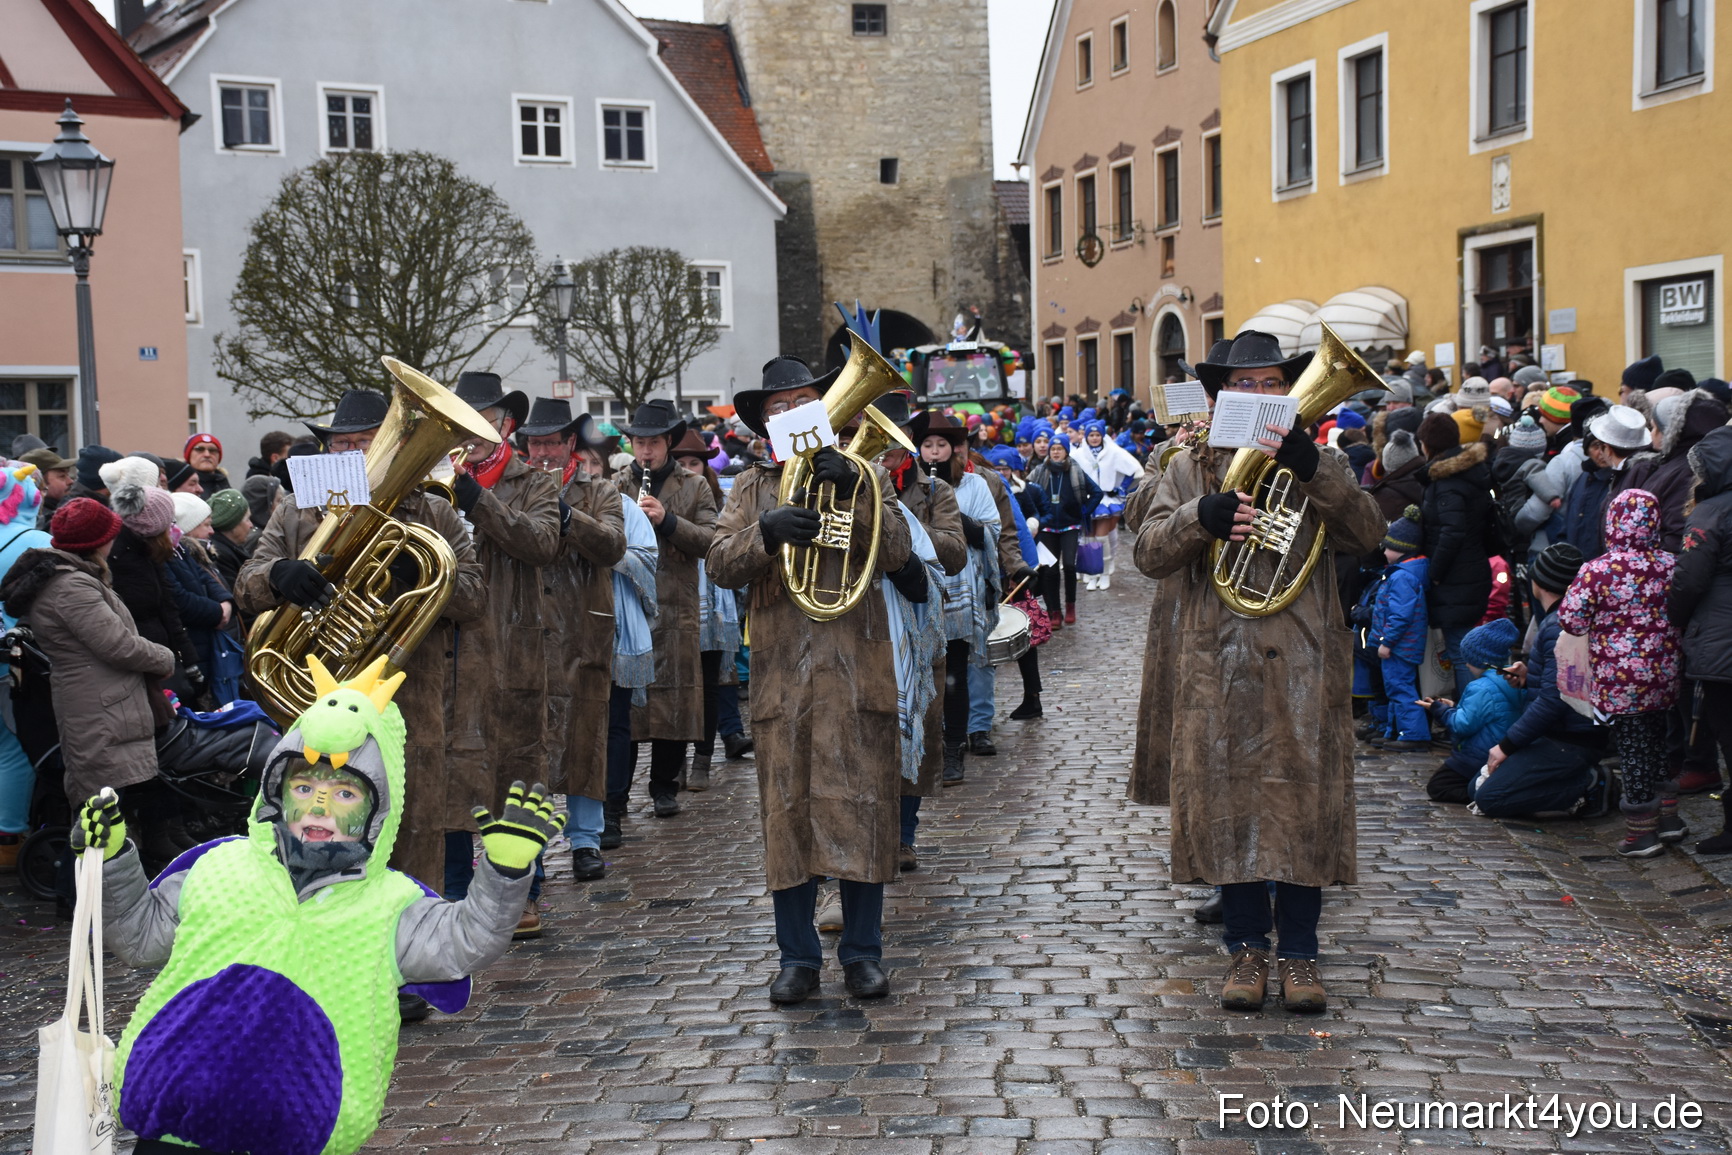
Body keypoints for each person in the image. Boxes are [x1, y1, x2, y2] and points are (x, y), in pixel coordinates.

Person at [78, 658, 554, 1155]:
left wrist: (504, 874)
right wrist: (112, 859)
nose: (320, 808)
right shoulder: (217, 867)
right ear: (277, 792)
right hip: (172, 1126)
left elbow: (467, 940)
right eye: (304, 788)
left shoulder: (390, 906)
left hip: (297, 1135)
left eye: (344, 792)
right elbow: (137, 936)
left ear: (377, 808)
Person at [1132, 329, 1385, 1013]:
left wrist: (1315, 469)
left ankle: (1300, 954)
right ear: (1220, 398)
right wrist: (1199, 517)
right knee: (1230, 800)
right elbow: (1149, 551)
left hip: (1304, 659)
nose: (1263, 396)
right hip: (1219, 663)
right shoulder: (1188, 467)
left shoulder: (1318, 459)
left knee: (1305, 804)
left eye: (1275, 385)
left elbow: (1368, 534)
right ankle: (1245, 948)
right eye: (1247, 385)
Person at [707, 355, 915, 1004]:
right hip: (783, 682)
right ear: (767, 423)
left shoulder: (868, 474)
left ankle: (862, 953)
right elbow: (717, 562)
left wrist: (853, 495)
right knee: (787, 821)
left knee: (864, 816)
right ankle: (797, 957)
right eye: (778, 407)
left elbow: (902, 556)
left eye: (802, 401)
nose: (791, 414)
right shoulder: (749, 487)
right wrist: (765, 534)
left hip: (856, 677)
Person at [235, 387, 486, 890]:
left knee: (411, 835)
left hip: (408, 701)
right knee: (324, 829)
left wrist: (414, 571)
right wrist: (279, 576)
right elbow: (247, 582)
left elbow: (476, 599)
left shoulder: (434, 512)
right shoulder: (294, 509)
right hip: (314, 703)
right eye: (339, 443)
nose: (349, 453)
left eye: (363, 442)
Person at [439, 373, 561, 937]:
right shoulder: (431, 482)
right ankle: (455, 897)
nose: (472, 425)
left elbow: (540, 543)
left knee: (516, 774)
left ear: (505, 423)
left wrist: (478, 501)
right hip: (448, 653)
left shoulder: (534, 483)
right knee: (453, 772)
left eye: (483, 415)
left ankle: (523, 893)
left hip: (514, 650)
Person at [0, 499, 177, 862]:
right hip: (97, 707)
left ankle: (90, 895)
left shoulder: (74, 577)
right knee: (98, 810)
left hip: (102, 701)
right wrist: (164, 658)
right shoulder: (70, 586)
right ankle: (77, 896)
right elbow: (118, 645)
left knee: (105, 808)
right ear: (97, 542)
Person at [521, 399, 626, 881]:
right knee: (531, 742)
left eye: (550, 442)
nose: (541, 451)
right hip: (526, 629)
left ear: (569, 445)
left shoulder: (600, 489)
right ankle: (530, 843)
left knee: (586, 735)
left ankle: (586, 839)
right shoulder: (512, 489)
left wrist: (565, 516)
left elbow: (612, 545)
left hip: (584, 626)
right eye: (534, 442)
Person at [1558, 490, 1682, 857]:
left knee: (1634, 750)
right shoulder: (1671, 564)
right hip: (1666, 672)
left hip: (1621, 681)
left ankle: (1641, 833)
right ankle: (1669, 818)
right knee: (1660, 741)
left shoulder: (1599, 570)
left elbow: (1571, 620)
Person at [613, 399, 719, 822]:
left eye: (653, 443)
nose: (645, 452)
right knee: (626, 705)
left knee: (674, 701)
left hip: (676, 606)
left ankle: (664, 785)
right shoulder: (617, 481)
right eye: (639, 443)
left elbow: (713, 539)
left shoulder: (694, 485)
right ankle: (616, 794)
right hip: (629, 603)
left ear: (669, 443)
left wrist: (668, 521)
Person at [1474, 543, 1609, 817]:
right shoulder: (1564, 619)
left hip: (1570, 739)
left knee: (1490, 798)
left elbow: (1554, 699)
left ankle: (1591, 784)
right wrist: (1529, 676)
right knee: (1476, 788)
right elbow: (1565, 680)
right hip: (1565, 733)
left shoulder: (1559, 625)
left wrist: (1506, 746)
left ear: (1539, 582)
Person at [912, 410, 999, 788]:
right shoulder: (910, 486)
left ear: (954, 450)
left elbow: (990, 534)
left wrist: (954, 516)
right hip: (917, 591)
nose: (934, 452)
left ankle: (953, 750)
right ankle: (922, 746)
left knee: (954, 676)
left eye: (941, 445)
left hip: (959, 592)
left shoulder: (974, 485)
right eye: (927, 445)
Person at [1670, 427, 1732, 850]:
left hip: (1721, 643)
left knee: (1729, 735)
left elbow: (1688, 580)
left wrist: (1675, 618)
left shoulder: (1710, 513)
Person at [671, 429, 739, 792]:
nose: (688, 469)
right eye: (680, 462)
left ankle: (702, 759)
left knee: (708, 685)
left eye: (694, 462)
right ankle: (676, 761)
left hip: (709, 598)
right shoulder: (659, 494)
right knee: (677, 684)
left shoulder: (719, 498)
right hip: (674, 598)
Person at [1415, 412, 1493, 696]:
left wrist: (1434, 574)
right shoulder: (1468, 471)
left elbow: (1452, 532)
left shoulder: (1446, 481)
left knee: (1461, 652)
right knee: (1467, 647)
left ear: (1427, 445)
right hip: (1470, 570)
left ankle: (1470, 724)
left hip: (1456, 577)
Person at [1420, 618, 1523, 803]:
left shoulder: (1480, 687)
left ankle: (1483, 796)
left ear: (1480, 660)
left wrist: (1439, 710)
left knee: (1438, 787)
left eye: (1468, 659)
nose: (1466, 664)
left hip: (1478, 755)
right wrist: (1454, 707)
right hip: (1503, 749)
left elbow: (1462, 725)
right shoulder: (1513, 681)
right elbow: (1484, 714)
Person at [166, 491, 244, 706]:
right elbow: (182, 599)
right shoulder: (178, 553)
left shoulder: (190, 552)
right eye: (206, 525)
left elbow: (210, 581)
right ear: (188, 527)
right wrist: (219, 611)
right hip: (200, 650)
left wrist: (226, 602)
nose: (212, 531)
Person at [1369, 507, 1430, 752]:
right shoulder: (1403, 573)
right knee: (1395, 687)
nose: (1383, 551)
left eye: (1388, 546)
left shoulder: (1402, 577)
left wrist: (1386, 642)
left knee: (1400, 688)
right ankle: (1396, 731)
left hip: (1399, 647)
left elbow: (1400, 615)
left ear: (1403, 548)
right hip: (1400, 645)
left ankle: (1414, 735)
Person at [1560, 405, 1653, 562]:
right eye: (1594, 446)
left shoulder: (1628, 481)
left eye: (1601, 446)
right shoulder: (1582, 479)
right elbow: (1568, 525)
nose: (1600, 453)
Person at [1026, 436, 1101, 628]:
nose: (1056, 452)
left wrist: (1083, 511)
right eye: (1053, 449)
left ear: (1066, 451)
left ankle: (1070, 606)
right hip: (1048, 527)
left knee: (1068, 565)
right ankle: (1054, 612)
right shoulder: (1039, 471)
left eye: (1060, 448)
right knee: (1050, 570)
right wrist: (1035, 517)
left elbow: (1097, 492)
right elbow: (1026, 492)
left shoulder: (1075, 470)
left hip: (1070, 525)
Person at [1074, 418, 1144, 591]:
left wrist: (1121, 488)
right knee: (1089, 539)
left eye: (1098, 434)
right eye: (1091, 435)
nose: (1095, 438)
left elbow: (1135, 470)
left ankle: (1104, 573)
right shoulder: (1078, 454)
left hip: (1106, 500)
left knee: (1101, 538)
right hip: (1087, 500)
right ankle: (1092, 574)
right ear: (1086, 436)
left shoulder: (1113, 452)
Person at [205, 488, 253, 593]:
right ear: (233, 525)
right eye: (247, 519)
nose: (251, 525)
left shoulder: (231, 546)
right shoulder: (220, 555)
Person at [19, 446, 73, 530]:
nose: (70, 481)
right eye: (62, 476)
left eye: (68, 475)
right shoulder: (39, 522)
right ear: (41, 482)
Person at [184, 432, 231, 499]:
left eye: (213, 450)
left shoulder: (223, 483)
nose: (207, 454)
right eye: (199, 449)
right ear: (189, 455)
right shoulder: (178, 484)